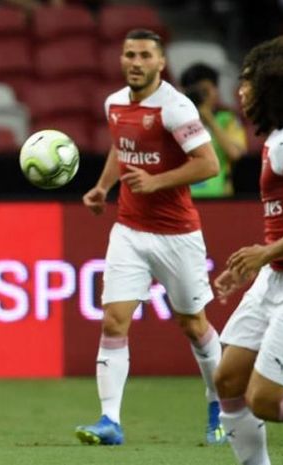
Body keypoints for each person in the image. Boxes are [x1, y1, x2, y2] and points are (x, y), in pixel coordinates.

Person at [75, 29, 224, 446]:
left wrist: (157, 182)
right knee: (113, 320)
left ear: (161, 63)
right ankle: (110, 421)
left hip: (178, 234)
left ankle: (219, 406)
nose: (135, 62)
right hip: (130, 231)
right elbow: (120, 148)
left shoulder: (176, 107)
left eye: (144, 55)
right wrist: (105, 187)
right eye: (129, 54)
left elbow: (209, 164)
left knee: (193, 326)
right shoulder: (114, 103)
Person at [213, 34, 283, 465]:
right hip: (276, 277)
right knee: (228, 379)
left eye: (248, 82)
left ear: (270, 86)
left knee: (265, 400)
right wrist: (259, 261)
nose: (239, 91)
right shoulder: (276, 140)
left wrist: (265, 254)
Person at [180, 62, 248, 198]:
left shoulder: (227, 119)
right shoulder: (176, 121)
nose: (201, 97)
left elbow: (235, 153)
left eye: (205, 91)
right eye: (195, 92)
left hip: (220, 196)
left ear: (216, 90)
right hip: (184, 196)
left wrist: (209, 119)